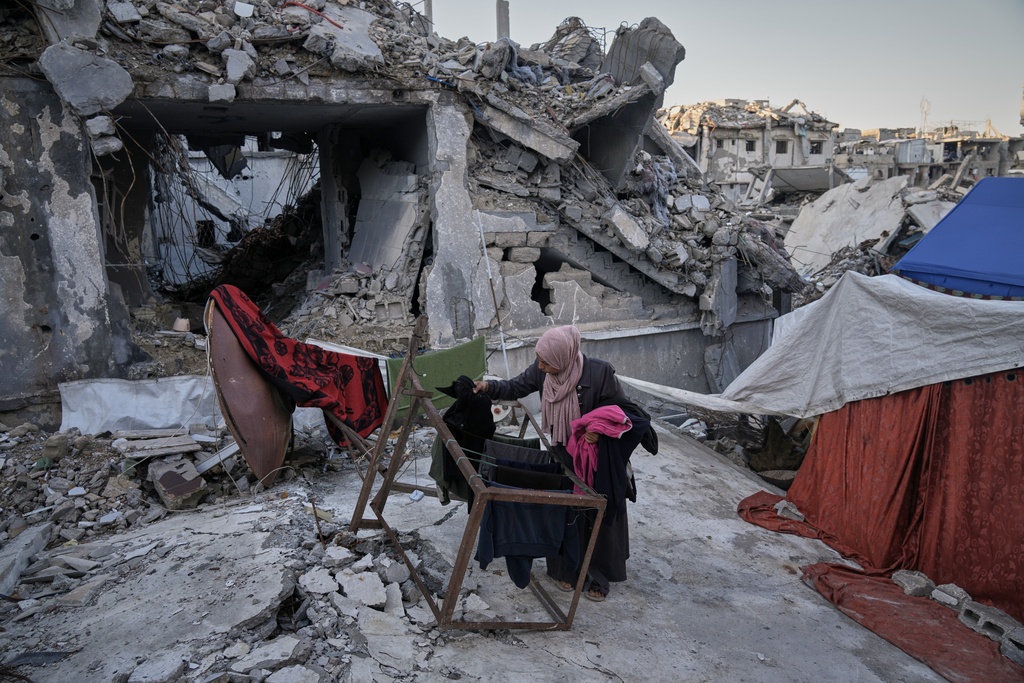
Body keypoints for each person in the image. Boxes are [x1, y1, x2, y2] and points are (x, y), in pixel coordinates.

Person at [473, 325, 650, 601]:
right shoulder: (543, 370)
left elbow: (625, 412)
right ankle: (566, 570)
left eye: (546, 362)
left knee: (597, 515)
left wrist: (598, 431)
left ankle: (599, 576)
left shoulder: (600, 372)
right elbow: (517, 386)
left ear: (564, 357)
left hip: (596, 458)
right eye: (540, 361)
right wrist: (488, 386)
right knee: (565, 513)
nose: (541, 367)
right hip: (564, 453)